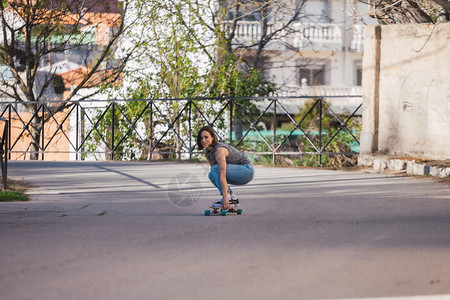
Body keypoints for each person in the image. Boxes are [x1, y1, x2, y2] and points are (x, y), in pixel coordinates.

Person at [197, 125, 254, 210]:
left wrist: (225, 198)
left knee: (215, 169)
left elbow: (222, 174)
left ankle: (228, 198)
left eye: (206, 137)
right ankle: (233, 198)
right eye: (201, 138)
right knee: (211, 175)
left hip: (247, 171)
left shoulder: (219, 151)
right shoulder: (207, 152)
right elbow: (216, 175)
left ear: (212, 137)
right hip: (236, 173)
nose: (203, 140)